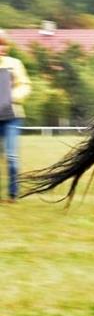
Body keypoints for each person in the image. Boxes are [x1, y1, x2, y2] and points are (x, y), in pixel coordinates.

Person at [0, 30, 31, 203]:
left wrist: (11, 97)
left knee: (11, 156)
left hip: (12, 116)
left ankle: (13, 195)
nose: (1, 48)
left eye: (3, 44)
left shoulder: (14, 64)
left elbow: (25, 85)